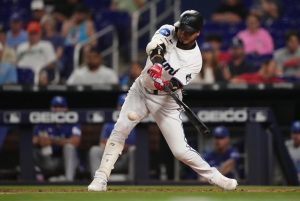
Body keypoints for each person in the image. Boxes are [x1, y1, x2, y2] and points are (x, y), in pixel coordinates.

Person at [88, 10, 238, 191]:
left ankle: (216, 177)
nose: (183, 33)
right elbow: (153, 48)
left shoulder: (195, 60)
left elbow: (175, 84)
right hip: (141, 90)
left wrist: (164, 83)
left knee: (180, 151)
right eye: (182, 29)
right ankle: (100, 178)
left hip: (167, 101)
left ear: (197, 33)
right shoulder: (169, 29)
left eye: (188, 31)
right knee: (120, 129)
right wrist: (158, 65)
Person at [32, 96, 81, 181]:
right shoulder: (44, 120)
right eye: (55, 107)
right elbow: (33, 140)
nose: (58, 109)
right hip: (48, 159)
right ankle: (38, 176)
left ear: (66, 109)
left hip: (66, 160)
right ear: (51, 108)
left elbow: (76, 142)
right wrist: (40, 140)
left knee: (69, 147)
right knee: (33, 151)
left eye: (61, 107)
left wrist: (53, 141)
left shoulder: (72, 121)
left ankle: (69, 181)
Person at [89, 94, 136, 178]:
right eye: (121, 105)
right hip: (109, 158)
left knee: (133, 150)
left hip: (125, 158)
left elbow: (133, 146)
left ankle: (132, 180)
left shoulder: (134, 122)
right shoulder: (109, 123)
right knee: (95, 150)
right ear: (117, 106)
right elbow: (102, 143)